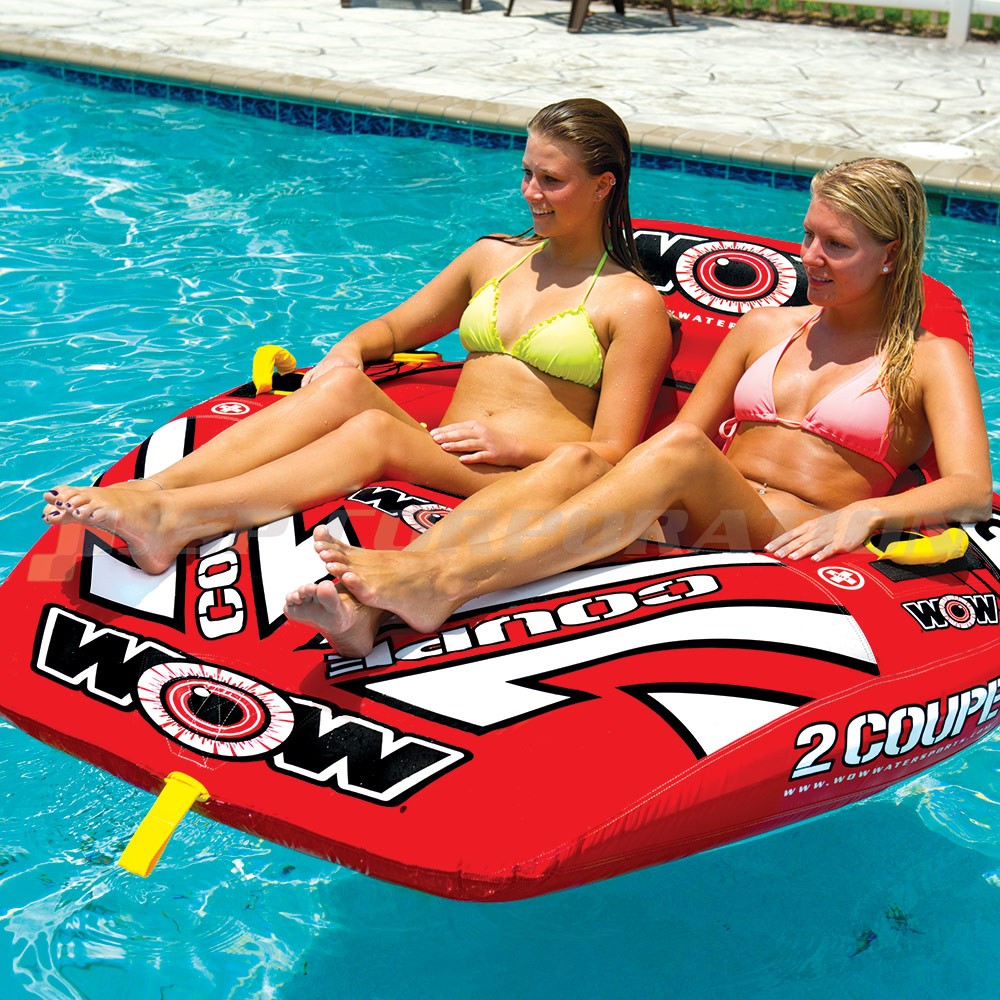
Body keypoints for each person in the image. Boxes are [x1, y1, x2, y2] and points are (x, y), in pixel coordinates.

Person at [285, 156, 993, 656]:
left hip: (786, 536)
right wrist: (590, 477)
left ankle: (439, 581)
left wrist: (868, 512)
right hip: (705, 512)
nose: (810, 256)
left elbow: (969, 488)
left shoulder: (930, 359)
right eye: (807, 235)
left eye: (836, 245)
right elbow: (684, 434)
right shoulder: (765, 327)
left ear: (891, 254)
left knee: (678, 452)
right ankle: (371, 608)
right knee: (580, 459)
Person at [40, 99, 673, 574]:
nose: (531, 193)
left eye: (552, 180)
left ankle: (178, 519)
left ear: (604, 185)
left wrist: (513, 444)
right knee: (344, 386)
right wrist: (345, 353)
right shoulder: (494, 257)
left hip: (521, 479)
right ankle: (146, 493)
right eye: (527, 173)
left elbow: (615, 452)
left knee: (372, 429)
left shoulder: (630, 302)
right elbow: (394, 328)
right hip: (444, 451)